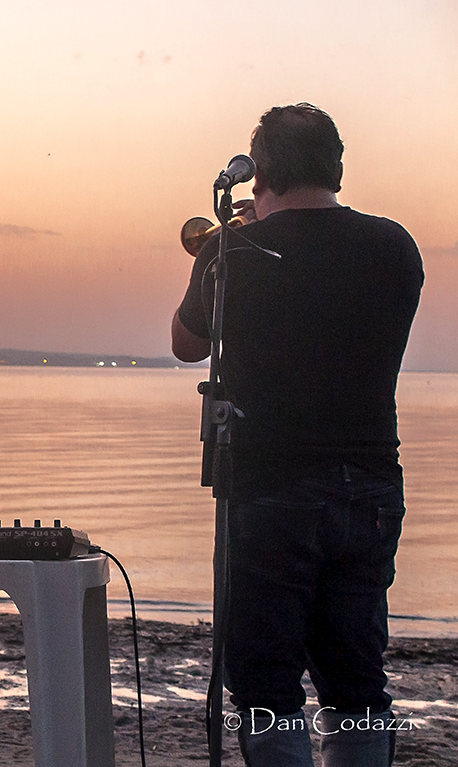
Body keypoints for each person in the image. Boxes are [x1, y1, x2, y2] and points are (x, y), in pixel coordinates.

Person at [171, 104, 423, 767]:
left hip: (268, 488)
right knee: (356, 681)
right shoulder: (395, 246)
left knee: (264, 684)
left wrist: (231, 244)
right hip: (370, 486)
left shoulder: (233, 251)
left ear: (264, 173)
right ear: (335, 164)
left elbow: (185, 344)